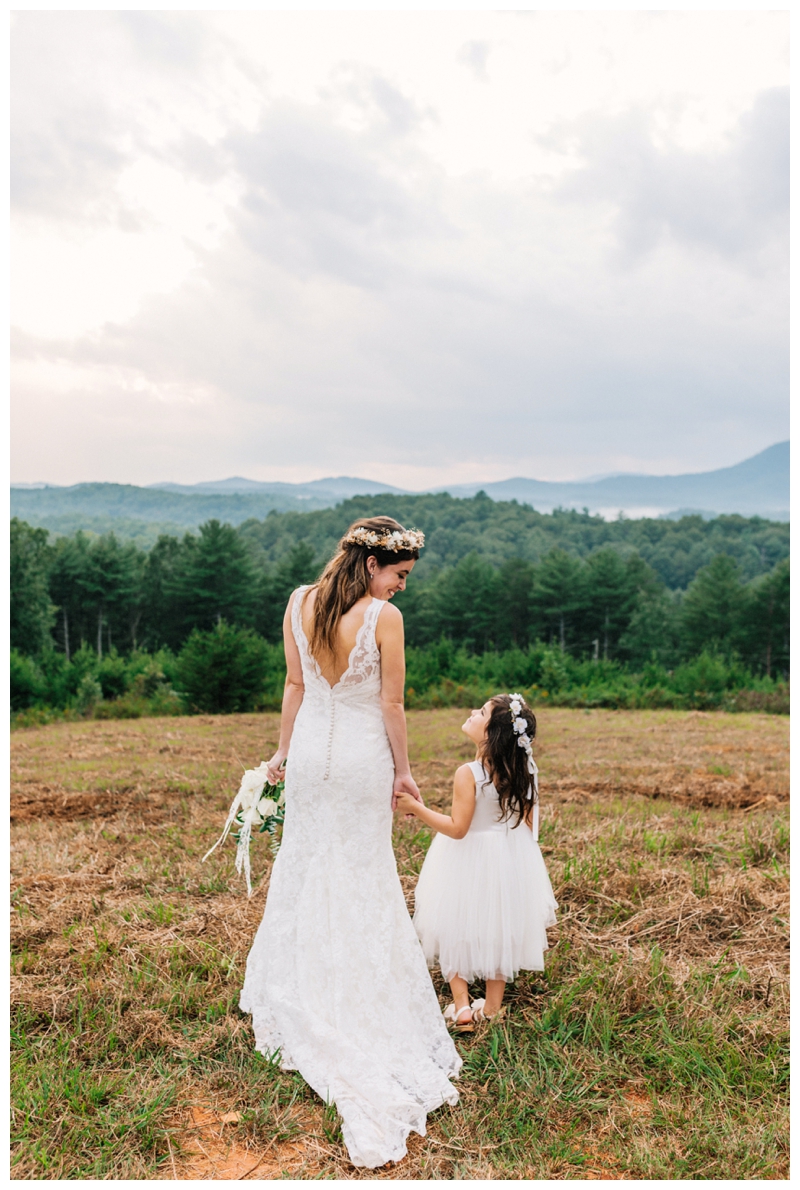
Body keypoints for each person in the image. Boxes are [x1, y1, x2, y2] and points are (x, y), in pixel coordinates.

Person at [239, 517, 461, 1169]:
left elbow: (295, 686)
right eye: (400, 574)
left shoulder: (297, 601)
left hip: (311, 752)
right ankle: (355, 1000)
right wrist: (406, 770)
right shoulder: (381, 618)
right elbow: (392, 706)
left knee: (307, 866)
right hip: (362, 756)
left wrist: (282, 752)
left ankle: (302, 986)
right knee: (363, 871)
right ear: (371, 565)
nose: (402, 587)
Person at [394, 693, 558, 1030]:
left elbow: (457, 829)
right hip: (509, 858)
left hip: (464, 857)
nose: (472, 711)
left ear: (492, 732)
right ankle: (493, 1007)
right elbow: (527, 825)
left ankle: (462, 1006)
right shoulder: (522, 772)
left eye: (481, 712)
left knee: (454, 923)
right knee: (498, 926)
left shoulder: (468, 773)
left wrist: (417, 808)